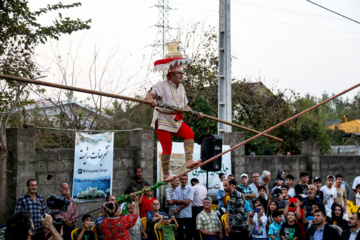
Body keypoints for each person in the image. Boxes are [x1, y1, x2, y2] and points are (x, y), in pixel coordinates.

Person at [146, 46, 204, 181]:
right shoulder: (161, 85)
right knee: (167, 148)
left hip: (176, 120)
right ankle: (166, 175)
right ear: (171, 75)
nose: (181, 75)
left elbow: (184, 106)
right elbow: (150, 94)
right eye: (179, 73)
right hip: (163, 121)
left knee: (189, 133)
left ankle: (189, 161)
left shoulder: (182, 88)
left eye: (182, 73)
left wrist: (195, 113)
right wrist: (151, 100)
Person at [168, 174, 194, 240]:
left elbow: (188, 202)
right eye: (182, 179)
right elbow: (174, 200)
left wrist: (178, 209)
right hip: (178, 215)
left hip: (187, 214)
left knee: (188, 233)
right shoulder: (177, 189)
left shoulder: (190, 189)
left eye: (185, 179)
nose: (184, 181)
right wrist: (183, 201)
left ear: (187, 180)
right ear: (180, 180)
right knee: (179, 232)